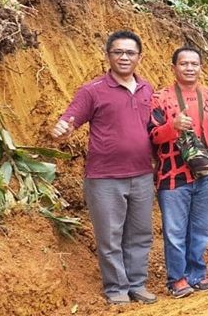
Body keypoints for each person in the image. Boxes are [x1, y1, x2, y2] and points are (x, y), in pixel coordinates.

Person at [52, 31, 157, 305]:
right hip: (104, 177)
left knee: (141, 233)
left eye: (130, 53)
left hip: (143, 174)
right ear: (108, 55)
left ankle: (137, 284)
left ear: (139, 57)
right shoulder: (93, 90)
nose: (124, 57)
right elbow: (70, 118)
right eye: (118, 52)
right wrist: (63, 127)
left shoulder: (148, 89)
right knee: (110, 236)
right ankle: (116, 289)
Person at [149, 46, 208, 298]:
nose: (189, 68)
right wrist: (172, 127)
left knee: (202, 229)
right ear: (173, 67)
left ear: (201, 67)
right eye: (184, 64)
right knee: (174, 231)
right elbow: (152, 136)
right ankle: (177, 279)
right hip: (172, 174)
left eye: (194, 64)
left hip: (205, 173)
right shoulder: (159, 97)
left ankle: (197, 273)